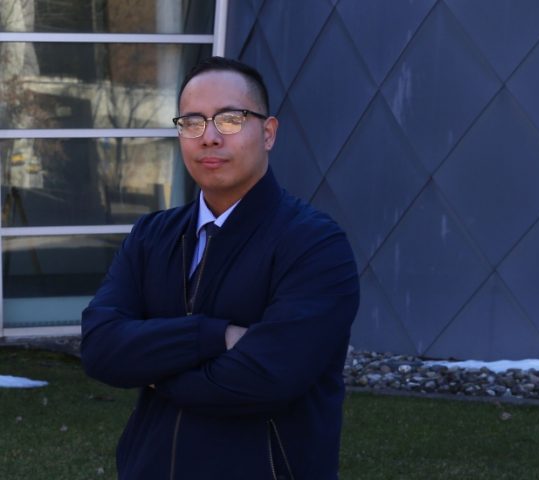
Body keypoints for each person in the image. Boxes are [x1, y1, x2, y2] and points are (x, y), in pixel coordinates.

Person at [81, 56, 360, 479]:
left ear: (268, 133)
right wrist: (214, 334)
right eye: (192, 122)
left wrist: (155, 372)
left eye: (230, 119)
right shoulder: (151, 236)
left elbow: (268, 377)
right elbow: (101, 347)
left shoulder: (314, 244)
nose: (208, 137)